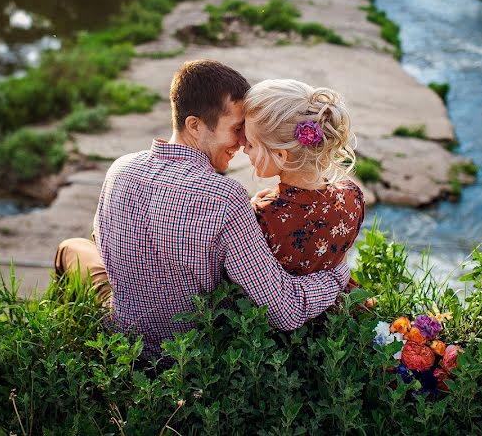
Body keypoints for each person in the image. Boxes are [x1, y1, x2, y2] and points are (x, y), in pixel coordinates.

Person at [54, 60, 349, 357]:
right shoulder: (226, 196)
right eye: (237, 128)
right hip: (188, 358)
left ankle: (60, 326)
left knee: (70, 248)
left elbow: (101, 242)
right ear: (194, 125)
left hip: (123, 339)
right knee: (75, 249)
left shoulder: (120, 168)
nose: (243, 142)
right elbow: (284, 311)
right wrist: (336, 275)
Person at [242, 79, 365, 277]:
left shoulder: (262, 217)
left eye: (250, 143)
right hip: (340, 301)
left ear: (281, 156)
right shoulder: (353, 195)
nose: (243, 148)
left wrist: (250, 214)